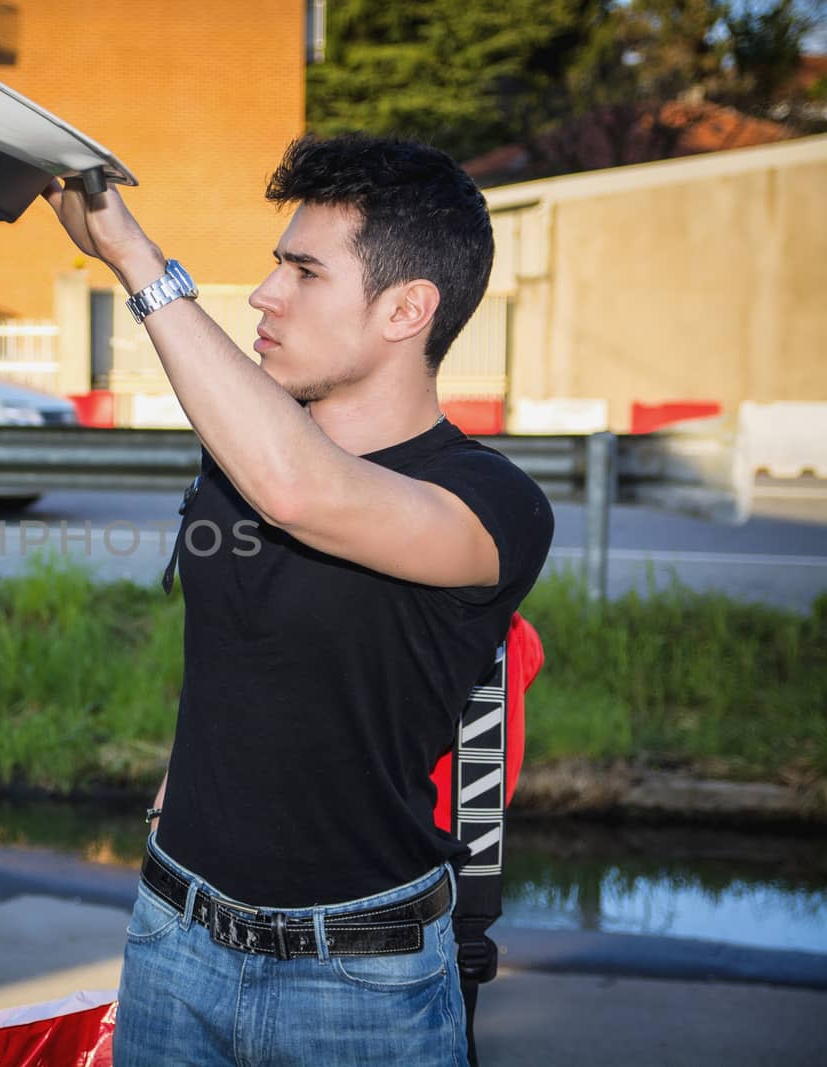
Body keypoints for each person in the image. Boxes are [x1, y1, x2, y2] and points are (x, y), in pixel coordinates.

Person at [41, 134, 555, 1065]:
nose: (264, 294)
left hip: (361, 981)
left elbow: (306, 492)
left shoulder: (494, 505)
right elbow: (254, 644)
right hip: (173, 937)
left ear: (408, 309)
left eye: (303, 272)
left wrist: (137, 261)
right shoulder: (238, 461)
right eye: (277, 263)